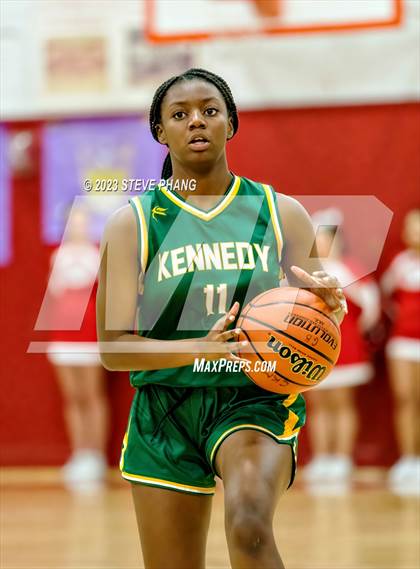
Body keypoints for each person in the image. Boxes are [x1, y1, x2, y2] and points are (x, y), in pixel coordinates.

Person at [97, 68, 347, 569]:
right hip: (165, 409)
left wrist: (329, 308)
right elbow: (113, 349)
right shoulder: (133, 224)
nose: (197, 121)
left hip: (251, 399)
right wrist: (198, 349)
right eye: (180, 114)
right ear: (160, 131)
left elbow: (315, 315)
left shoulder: (281, 212)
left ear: (230, 124)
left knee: (249, 525)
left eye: (210, 111)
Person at [303, 210, 381, 490]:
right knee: (318, 405)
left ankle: (342, 458)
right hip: (313, 348)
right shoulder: (306, 271)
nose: (320, 243)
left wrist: (356, 334)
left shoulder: (350, 269)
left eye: (324, 238)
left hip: (345, 348)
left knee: (341, 403)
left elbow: (371, 306)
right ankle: (322, 457)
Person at [47, 205, 109, 492]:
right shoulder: (57, 257)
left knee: (91, 396)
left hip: (89, 336)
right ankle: (79, 454)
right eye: (74, 222)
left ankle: (96, 456)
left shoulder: (97, 256)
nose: (78, 227)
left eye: (83, 222)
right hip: (62, 337)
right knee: (72, 397)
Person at [382, 208, 420, 495]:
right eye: (412, 228)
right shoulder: (400, 264)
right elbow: (385, 298)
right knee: (405, 399)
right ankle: (409, 459)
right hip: (403, 343)